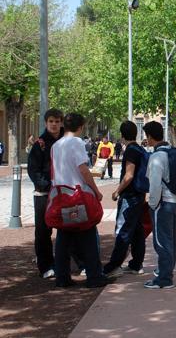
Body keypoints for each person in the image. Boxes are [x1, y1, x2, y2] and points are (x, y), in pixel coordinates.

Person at [51, 113, 106, 288]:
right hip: (77, 195)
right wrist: (96, 191)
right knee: (88, 235)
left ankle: (62, 277)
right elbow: (82, 169)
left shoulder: (56, 145)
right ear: (80, 127)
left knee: (63, 237)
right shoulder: (77, 143)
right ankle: (94, 276)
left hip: (61, 195)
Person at [143, 121, 176, 289]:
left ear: (150, 137)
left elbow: (154, 185)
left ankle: (164, 278)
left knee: (162, 241)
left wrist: (152, 205)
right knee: (172, 241)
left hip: (163, 203)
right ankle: (167, 272)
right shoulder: (174, 152)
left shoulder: (156, 157)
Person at [103, 121, 147, 278]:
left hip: (129, 196)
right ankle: (136, 263)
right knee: (137, 230)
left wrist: (117, 191)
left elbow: (129, 175)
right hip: (139, 194)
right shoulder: (141, 149)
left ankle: (114, 265)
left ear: (122, 135)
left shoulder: (130, 151)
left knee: (123, 230)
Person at [27, 109, 64, 279]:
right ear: (46, 123)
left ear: (61, 122)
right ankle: (46, 265)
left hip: (66, 192)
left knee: (72, 226)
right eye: (51, 121)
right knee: (43, 231)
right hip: (44, 194)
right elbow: (33, 171)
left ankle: (79, 262)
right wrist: (47, 186)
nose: (54, 124)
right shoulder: (39, 144)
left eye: (57, 121)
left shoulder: (67, 141)